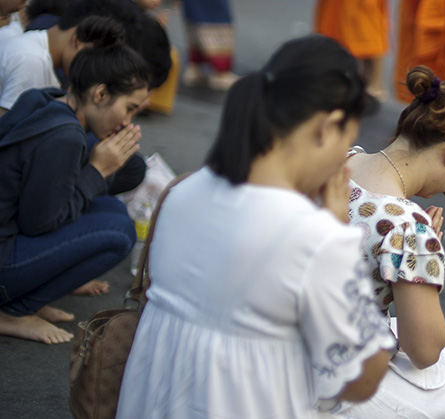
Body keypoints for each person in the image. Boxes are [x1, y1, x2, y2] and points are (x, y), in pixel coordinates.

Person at [117, 35, 394, 418]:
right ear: (328, 127)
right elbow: (363, 377)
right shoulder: (314, 237)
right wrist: (338, 237)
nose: (343, 162)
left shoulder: (182, 190)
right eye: (348, 142)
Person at [338, 65, 445, 418]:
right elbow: (424, 349)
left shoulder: (342, 160)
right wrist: (423, 260)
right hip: (335, 374)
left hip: (278, 344)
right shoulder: (407, 225)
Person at [0, 33, 145, 344]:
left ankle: (32, 297)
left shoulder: (45, 97)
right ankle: (14, 311)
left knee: (113, 210)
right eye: (129, 108)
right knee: (120, 234)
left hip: (8, 232)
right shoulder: (65, 136)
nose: (128, 122)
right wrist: (97, 170)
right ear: (101, 93)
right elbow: (39, 224)